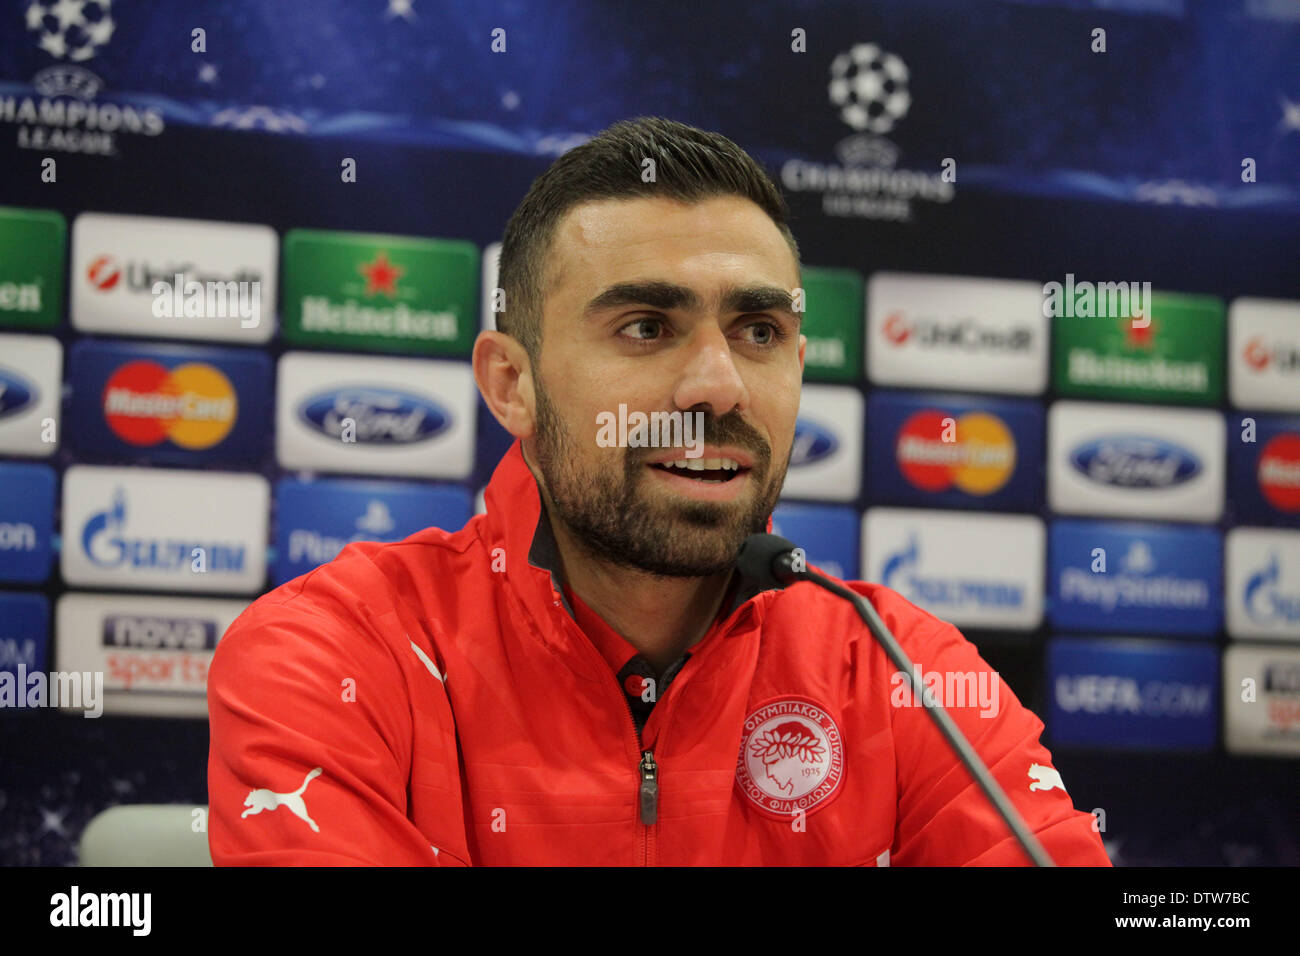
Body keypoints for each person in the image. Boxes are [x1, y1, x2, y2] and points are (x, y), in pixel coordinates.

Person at [207, 116, 1111, 866]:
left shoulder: (898, 669)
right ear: (511, 384)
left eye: (757, 330)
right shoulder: (332, 653)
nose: (716, 387)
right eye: (646, 326)